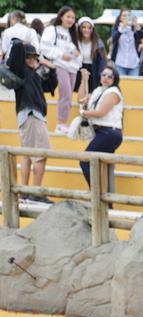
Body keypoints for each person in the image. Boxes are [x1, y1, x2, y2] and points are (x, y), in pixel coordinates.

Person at [8, 41, 51, 204]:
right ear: (22, 58)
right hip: (32, 115)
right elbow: (16, 53)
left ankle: (25, 192)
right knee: (41, 154)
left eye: (35, 56)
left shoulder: (33, 74)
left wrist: (49, 67)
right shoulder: (21, 71)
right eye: (29, 56)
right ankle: (35, 193)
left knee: (27, 155)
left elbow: (51, 84)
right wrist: (20, 41)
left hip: (31, 116)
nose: (32, 59)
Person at [78, 66, 124, 188]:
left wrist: (84, 114)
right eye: (103, 75)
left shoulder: (113, 92)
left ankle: (96, 193)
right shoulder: (99, 90)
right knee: (99, 165)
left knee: (85, 161)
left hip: (109, 133)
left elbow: (100, 113)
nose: (105, 78)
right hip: (102, 132)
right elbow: (81, 100)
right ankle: (103, 197)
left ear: (115, 79)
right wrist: (84, 81)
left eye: (110, 76)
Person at [40, 7, 81, 136]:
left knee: (68, 97)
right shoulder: (52, 30)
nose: (71, 20)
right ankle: (60, 123)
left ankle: (64, 123)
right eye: (68, 16)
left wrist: (76, 54)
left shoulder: (72, 33)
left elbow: (76, 51)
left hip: (73, 68)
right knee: (66, 94)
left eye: (73, 18)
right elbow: (45, 47)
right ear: (61, 16)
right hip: (60, 65)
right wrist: (60, 55)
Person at [75, 17, 105, 97]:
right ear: (79, 29)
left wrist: (101, 76)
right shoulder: (75, 42)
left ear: (92, 29)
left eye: (89, 28)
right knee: (79, 95)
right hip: (78, 70)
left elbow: (102, 62)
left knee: (92, 95)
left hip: (93, 70)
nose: (86, 30)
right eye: (83, 27)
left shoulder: (98, 43)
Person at [110, 10, 142, 77]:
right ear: (120, 18)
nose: (126, 17)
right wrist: (122, 28)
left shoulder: (133, 29)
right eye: (124, 15)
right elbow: (114, 38)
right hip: (120, 62)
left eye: (128, 16)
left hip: (134, 63)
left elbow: (140, 36)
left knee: (134, 84)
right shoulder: (116, 28)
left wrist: (136, 25)